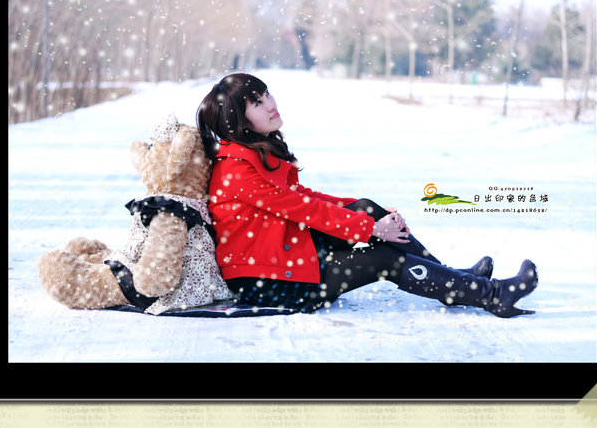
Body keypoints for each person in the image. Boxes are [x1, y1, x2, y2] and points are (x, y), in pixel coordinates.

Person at [196, 73, 538, 318]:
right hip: (268, 279)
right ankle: (492, 296)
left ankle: (454, 278)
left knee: (366, 207)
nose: (269, 104)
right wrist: (371, 230)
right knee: (382, 260)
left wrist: (369, 215)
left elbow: (306, 197)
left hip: (284, 254)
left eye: (266, 94)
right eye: (257, 103)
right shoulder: (237, 171)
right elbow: (302, 209)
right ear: (238, 123)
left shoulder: (252, 155)